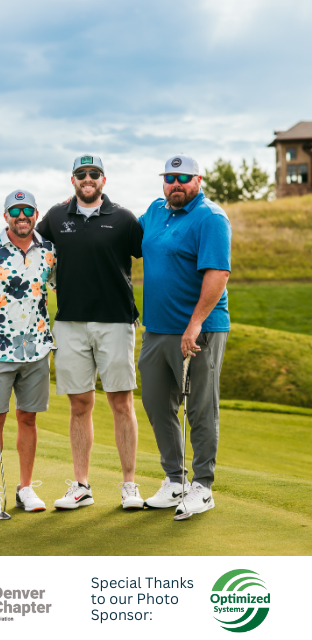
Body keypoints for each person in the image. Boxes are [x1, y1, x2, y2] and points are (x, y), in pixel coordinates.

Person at [36, 155, 144, 510]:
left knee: (121, 402)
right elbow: (32, 248)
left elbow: (151, 255)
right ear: (72, 180)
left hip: (115, 321)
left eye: (93, 174)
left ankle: (129, 484)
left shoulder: (124, 219)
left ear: (103, 179)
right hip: (70, 323)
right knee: (79, 404)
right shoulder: (54, 217)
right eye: (81, 174)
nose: (87, 179)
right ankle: (81, 485)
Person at [138, 154, 232, 519]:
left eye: (183, 177)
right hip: (157, 329)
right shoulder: (155, 211)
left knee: (200, 407)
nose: (175, 184)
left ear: (198, 179)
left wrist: (194, 326)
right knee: (156, 402)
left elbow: (218, 274)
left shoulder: (210, 217)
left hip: (200, 331)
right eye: (169, 177)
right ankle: (174, 479)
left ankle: (202, 486)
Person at [0, 189, 56, 515]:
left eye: (27, 211)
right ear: (6, 216)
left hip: (35, 348)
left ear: (36, 214)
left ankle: (26, 488)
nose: (21, 216)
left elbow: (62, 286)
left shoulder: (48, 250)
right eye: (15, 211)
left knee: (28, 418)